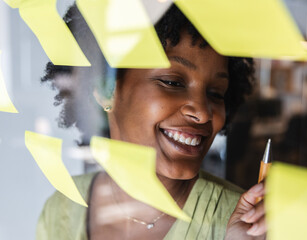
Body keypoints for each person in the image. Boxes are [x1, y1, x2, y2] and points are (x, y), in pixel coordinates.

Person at [37, 4, 266, 240]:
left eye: (216, 93)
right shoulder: (63, 209)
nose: (203, 113)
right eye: (172, 82)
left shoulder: (242, 225)